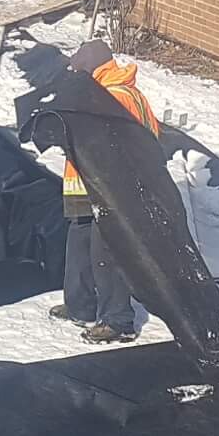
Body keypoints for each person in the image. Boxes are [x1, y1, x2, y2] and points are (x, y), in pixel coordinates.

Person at [56, 38, 159, 343]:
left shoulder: (115, 96)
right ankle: (80, 306)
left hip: (112, 190)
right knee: (80, 246)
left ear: (91, 68)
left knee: (108, 252)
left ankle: (117, 321)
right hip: (86, 185)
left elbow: (118, 145)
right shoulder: (102, 91)